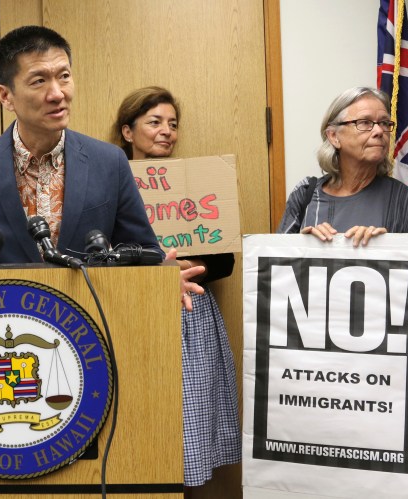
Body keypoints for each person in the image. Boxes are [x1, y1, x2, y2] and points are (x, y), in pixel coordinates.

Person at [0, 26, 184, 275]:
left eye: (64, 76)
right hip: (3, 313)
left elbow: (142, 251)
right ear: (6, 96)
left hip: (87, 313)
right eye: (39, 81)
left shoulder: (109, 162)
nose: (57, 93)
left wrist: (164, 281)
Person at [112, 86, 241, 487]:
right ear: (128, 132)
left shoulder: (199, 185)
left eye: (172, 124)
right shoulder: (106, 186)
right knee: (136, 420)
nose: (167, 131)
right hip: (132, 311)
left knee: (192, 428)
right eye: (154, 122)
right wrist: (149, 268)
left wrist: (187, 265)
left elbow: (226, 258)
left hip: (191, 313)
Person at [277, 86, 408, 242]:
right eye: (365, 122)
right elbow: (273, 262)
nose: (379, 131)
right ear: (334, 136)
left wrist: (386, 249)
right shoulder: (305, 195)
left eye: (385, 123)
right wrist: (303, 247)